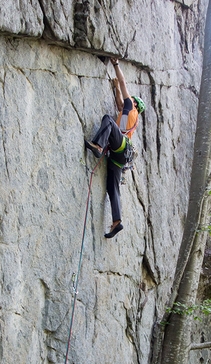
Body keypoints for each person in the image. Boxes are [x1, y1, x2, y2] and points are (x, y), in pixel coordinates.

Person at [85, 58, 145, 239]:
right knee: (113, 188)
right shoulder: (129, 113)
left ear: (134, 104)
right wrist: (115, 88)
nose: (128, 99)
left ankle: (98, 145)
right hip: (121, 158)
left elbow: (124, 86)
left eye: (130, 99)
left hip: (121, 147)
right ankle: (117, 221)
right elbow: (120, 100)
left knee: (108, 120)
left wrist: (116, 65)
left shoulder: (131, 108)